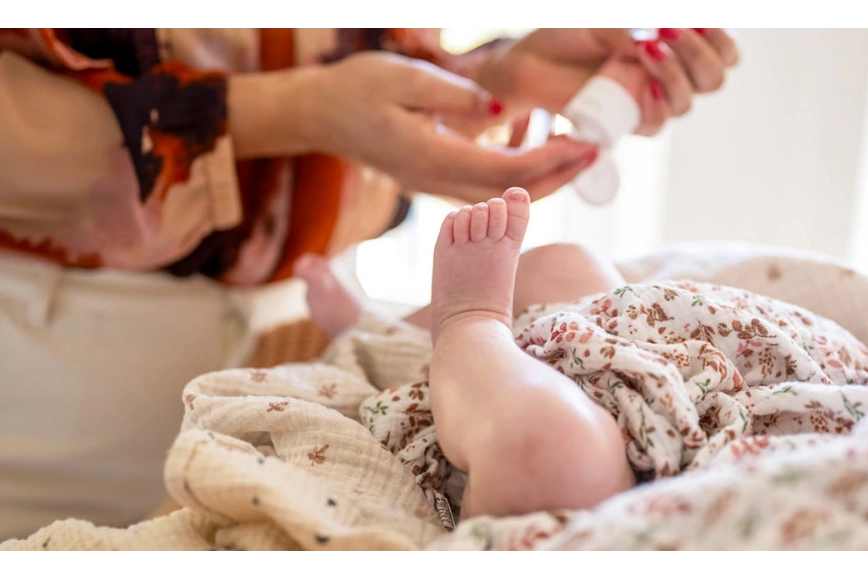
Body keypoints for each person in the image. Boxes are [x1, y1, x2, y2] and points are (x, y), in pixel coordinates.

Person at [0, 26, 739, 540]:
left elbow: (352, 54)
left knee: (570, 275)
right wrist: (302, 112)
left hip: (300, 323)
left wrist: (491, 80)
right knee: (551, 436)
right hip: (61, 342)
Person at [295, 187, 868, 519]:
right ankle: (384, 329)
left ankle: (467, 323)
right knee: (570, 266)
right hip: (679, 373)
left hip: (640, 477)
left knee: (550, 450)